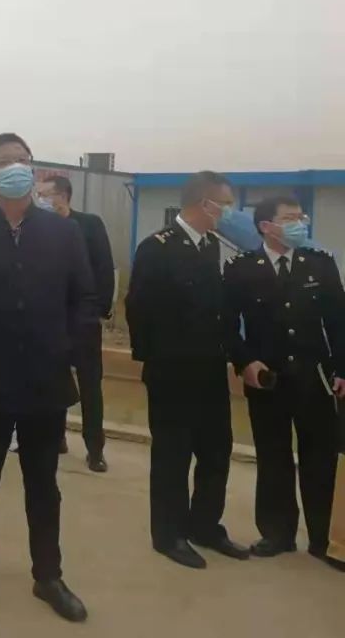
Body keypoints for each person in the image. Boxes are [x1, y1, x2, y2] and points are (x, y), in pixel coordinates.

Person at [0, 134, 92, 624]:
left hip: (44, 383)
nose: (15, 168)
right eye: (4, 162)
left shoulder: (62, 233)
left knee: (43, 485)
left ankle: (48, 575)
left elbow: (84, 299)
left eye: (22, 160)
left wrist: (66, 350)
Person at [126, 171, 250, 569]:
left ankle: (205, 526)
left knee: (216, 451)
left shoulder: (212, 246)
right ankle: (169, 534)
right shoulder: (158, 247)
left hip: (209, 370)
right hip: (172, 373)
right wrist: (155, 361)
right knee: (173, 457)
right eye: (224, 204)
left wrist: (237, 356)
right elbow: (138, 309)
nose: (228, 211)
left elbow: (220, 312)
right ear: (204, 204)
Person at [223, 195, 345, 571]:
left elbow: (339, 321)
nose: (299, 224)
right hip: (267, 380)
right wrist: (244, 361)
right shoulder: (241, 268)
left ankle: (325, 539)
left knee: (321, 458)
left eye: (300, 217)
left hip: (315, 379)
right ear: (266, 227)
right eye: (290, 218)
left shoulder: (320, 263)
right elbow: (226, 324)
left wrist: (342, 369)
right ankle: (277, 533)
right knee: (273, 456)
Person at [38, 175, 115, 472]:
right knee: (54, 381)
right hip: (50, 320)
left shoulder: (90, 225)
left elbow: (104, 267)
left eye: (45, 194)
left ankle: (95, 448)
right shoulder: (39, 228)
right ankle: (56, 438)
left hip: (84, 320)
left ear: (62, 195)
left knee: (90, 385)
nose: (40, 199)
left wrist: (99, 312)